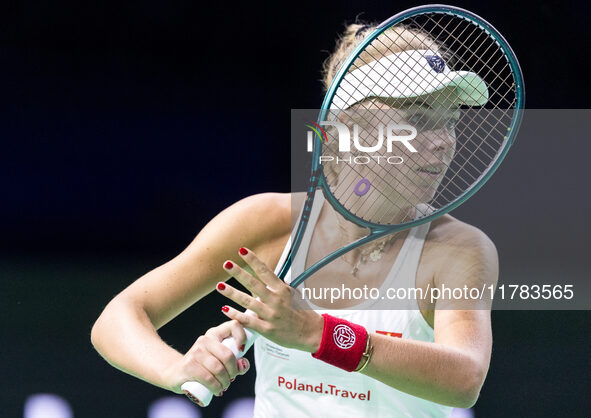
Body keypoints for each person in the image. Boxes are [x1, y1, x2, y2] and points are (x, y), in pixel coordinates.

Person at [91, 23, 497, 417]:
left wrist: (316, 334)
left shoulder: (458, 249)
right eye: (420, 120)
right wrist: (177, 369)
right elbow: (119, 317)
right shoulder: (268, 223)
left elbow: (464, 378)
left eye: (449, 121)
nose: (444, 140)